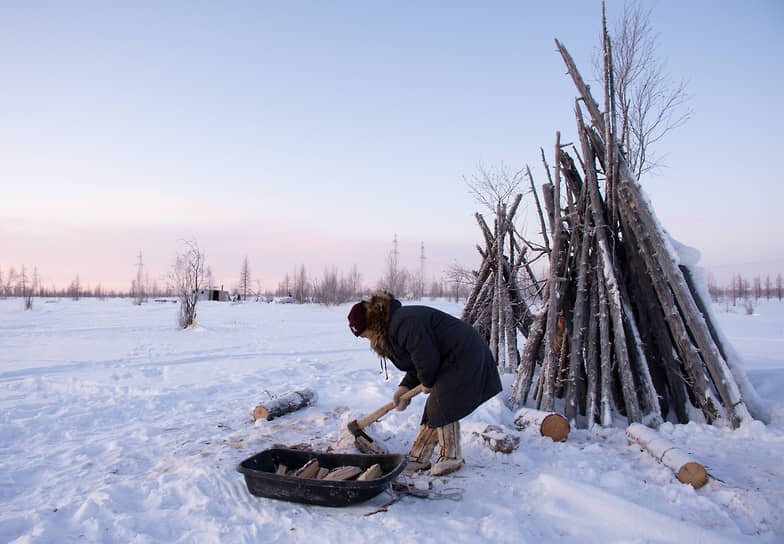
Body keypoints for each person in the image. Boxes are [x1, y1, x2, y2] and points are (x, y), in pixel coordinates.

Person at [347, 290, 502, 476]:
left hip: (464, 354)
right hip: (448, 358)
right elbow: (416, 361)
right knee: (436, 407)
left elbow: (426, 358)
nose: (366, 338)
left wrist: (427, 381)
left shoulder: (402, 322)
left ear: (371, 323)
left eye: (365, 334)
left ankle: (451, 457)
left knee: (442, 403)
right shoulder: (391, 329)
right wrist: (404, 388)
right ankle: (418, 457)